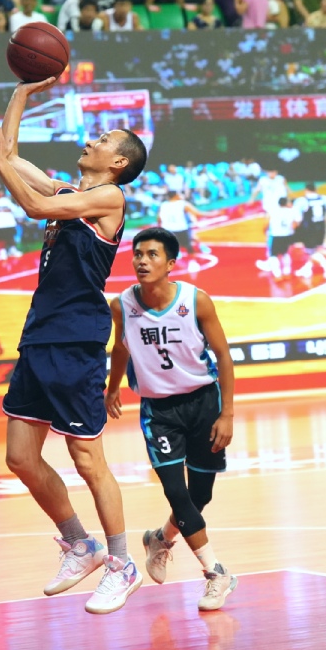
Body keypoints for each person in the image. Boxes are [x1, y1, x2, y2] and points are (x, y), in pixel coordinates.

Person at [0, 79, 148, 615]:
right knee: (20, 457)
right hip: (40, 335)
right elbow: (11, 155)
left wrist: (1, 164)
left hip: (77, 339)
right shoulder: (69, 192)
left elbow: (29, 202)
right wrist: (22, 93)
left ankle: (122, 564)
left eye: (104, 139)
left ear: (118, 162)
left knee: (87, 458)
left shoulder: (109, 198)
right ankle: (80, 543)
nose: (92, 139)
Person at [104, 227, 237, 610]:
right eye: (138, 254)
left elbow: (223, 357)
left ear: (171, 263)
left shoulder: (196, 301)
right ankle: (216, 573)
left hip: (203, 403)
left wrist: (227, 413)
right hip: (159, 411)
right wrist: (113, 388)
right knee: (176, 492)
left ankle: (160, 539)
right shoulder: (122, 305)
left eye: (152, 255)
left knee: (200, 495)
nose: (142, 261)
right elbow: (120, 348)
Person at [292, 183, 326, 279]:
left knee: (311, 251)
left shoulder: (301, 201)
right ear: (316, 189)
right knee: (317, 249)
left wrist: (294, 229)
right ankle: (307, 268)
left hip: (308, 229)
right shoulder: (325, 199)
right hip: (321, 228)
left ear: (306, 190)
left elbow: (297, 218)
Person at [255, 195, 299, 277]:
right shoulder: (291, 211)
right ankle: (287, 272)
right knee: (285, 253)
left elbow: (266, 223)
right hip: (287, 235)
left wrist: (265, 231)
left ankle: (277, 274)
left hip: (276, 235)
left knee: (273, 255)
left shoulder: (273, 211)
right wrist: (291, 230)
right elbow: (296, 223)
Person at [157, 190, 208, 257]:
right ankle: (196, 251)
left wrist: (160, 227)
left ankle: (177, 253)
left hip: (168, 229)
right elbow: (198, 213)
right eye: (179, 194)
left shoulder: (163, 205)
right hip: (181, 228)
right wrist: (214, 213)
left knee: (173, 244)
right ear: (176, 195)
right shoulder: (182, 203)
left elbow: (159, 218)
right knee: (189, 245)